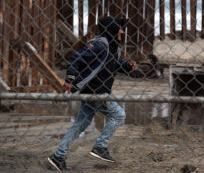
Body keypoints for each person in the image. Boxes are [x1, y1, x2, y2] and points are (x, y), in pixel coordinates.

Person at [48, 16, 137, 171]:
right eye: (120, 28)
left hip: (97, 91)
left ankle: (57, 156)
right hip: (96, 92)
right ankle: (100, 147)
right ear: (112, 29)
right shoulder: (99, 45)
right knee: (119, 115)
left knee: (80, 124)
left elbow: (116, 64)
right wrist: (70, 78)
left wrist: (128, 66)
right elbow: (76, 58)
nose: (122, 31)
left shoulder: (112, 47)